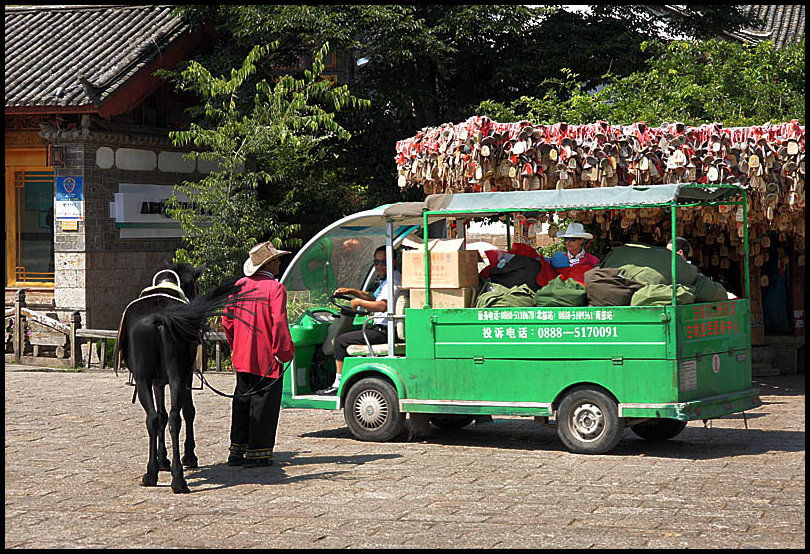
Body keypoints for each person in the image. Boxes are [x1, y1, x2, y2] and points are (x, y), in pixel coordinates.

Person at [223, 241, 295, 468]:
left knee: (242, 401)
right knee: (264, 404)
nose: (280, 263)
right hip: (267, 357)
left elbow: (227, 320)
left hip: (242, 355)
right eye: (277, 260)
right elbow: (279, 323)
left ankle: (237, 451)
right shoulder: (275, 289)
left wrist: (236, 345)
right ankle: (258, 452)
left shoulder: (240, 286)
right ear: (269, 263)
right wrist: (284, 351)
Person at [316, 246, 401, 396]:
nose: (379, 266)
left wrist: (357, 302)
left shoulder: (392, 280)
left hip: (384, 330)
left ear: (393, 261)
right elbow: (373, 297)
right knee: (349, 336)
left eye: (384, 262)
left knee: (341, 341)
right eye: (376, 262)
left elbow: (382, 306)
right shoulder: (387, 280)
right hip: (382, 328)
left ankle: (337, 384)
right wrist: (351, 292)